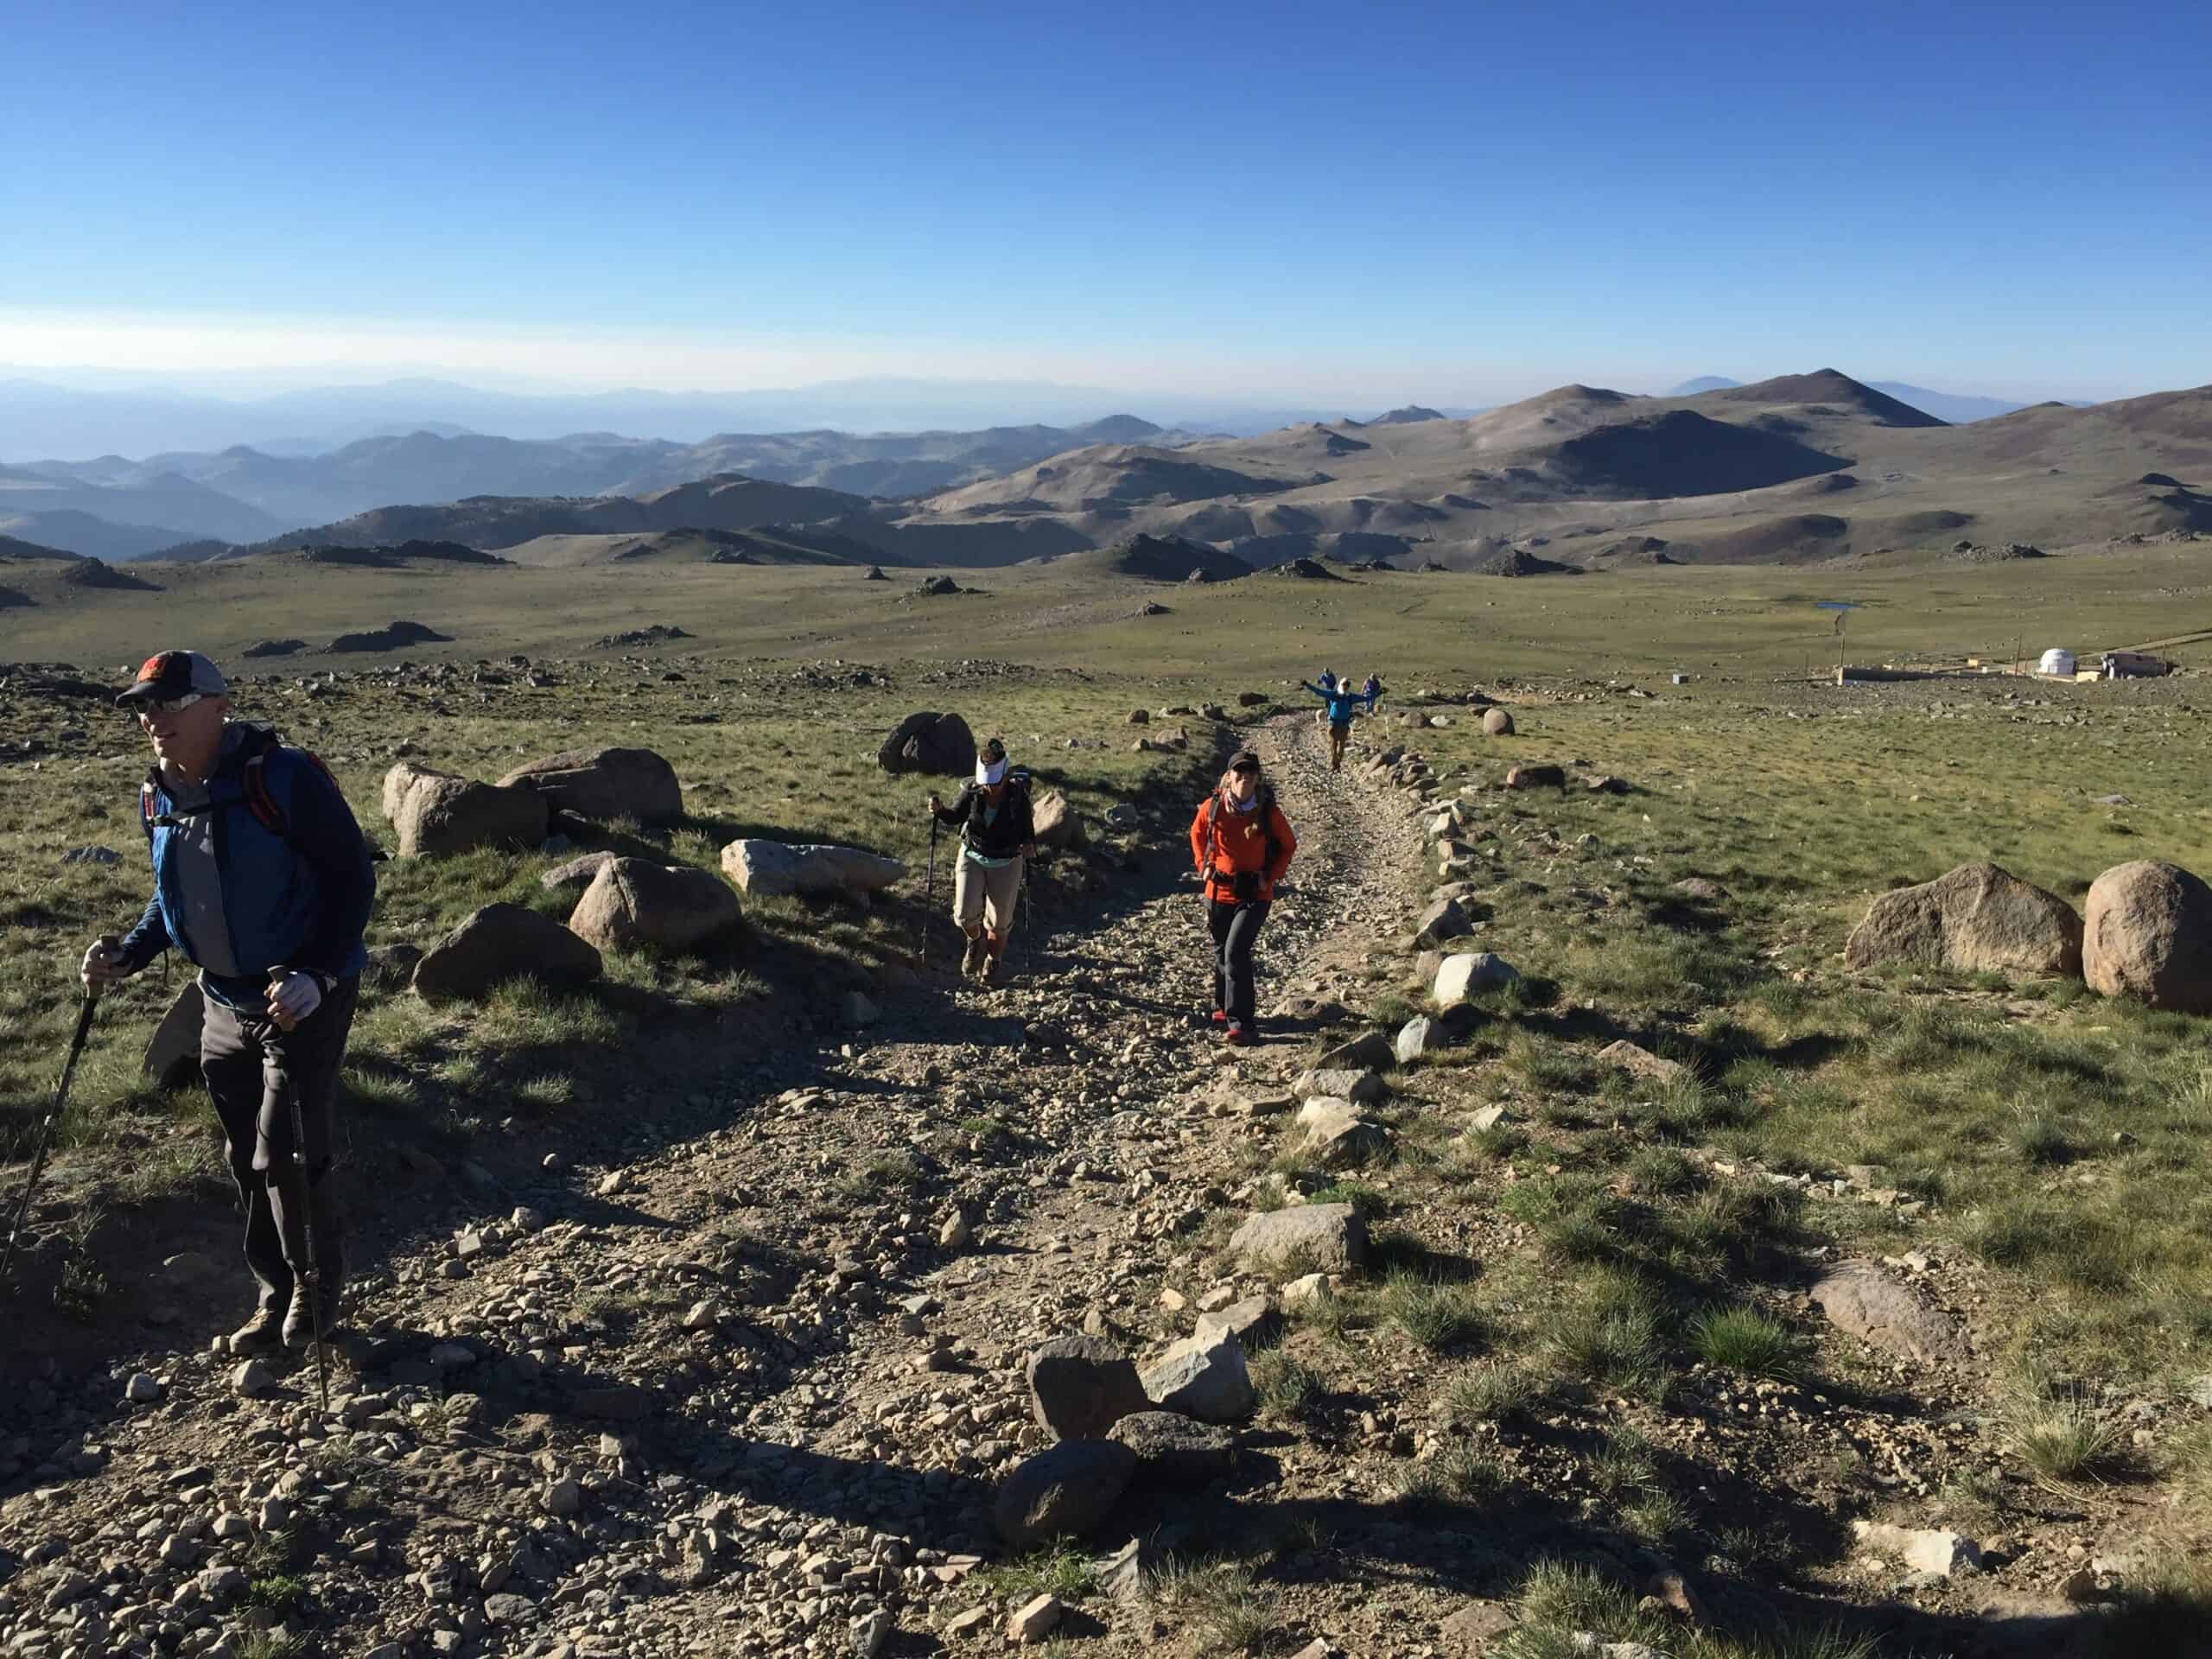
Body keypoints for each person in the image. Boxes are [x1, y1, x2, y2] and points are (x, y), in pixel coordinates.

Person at [80, 651, 374, 1356]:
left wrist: (320, 974)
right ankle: (273, 1294)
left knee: (290, 1151)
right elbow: (172, 894)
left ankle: (315, 1288)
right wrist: (130, 952)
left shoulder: (282, 778)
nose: (153, 718)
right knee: (246, 1156)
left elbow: (351, 878)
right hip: (219, 1001)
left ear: (218, 706)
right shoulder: (158, 794)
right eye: (145, 706)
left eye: (170, 704)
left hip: (299, 996)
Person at [1190, 750, 1297, 1044]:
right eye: (1239, 770)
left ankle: (1243, 1024)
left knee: (1235, 952)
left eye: (1251, 770)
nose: (1245, 775)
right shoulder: (1212, 807)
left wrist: (1270, 876)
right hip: (1218, 891)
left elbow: (1288, 845)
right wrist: (1203, 866)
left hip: (1255, 894)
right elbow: (1197, 834)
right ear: (1229, 776)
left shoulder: (1266, 811)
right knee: (1221, 949)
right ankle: (1224, 1009)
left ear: (1258, 777)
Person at [926, 737, 1035, 984]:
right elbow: (956, 816)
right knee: (964, 915)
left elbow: (1027, 830)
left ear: (1006, 775)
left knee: (999, 923)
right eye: (987, 784)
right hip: (972, 854)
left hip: (1007, 861)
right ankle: (975, 941)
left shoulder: (1018, 796)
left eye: (995, 783)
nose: (990, 789)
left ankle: (992, 962)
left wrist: (1029, 845)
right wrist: (940, 810)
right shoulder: (973, 791)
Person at [1302, 673, 1366, 772]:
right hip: (1334, 723)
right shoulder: (1334, 694)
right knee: (1333, 744)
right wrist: (1307, 685)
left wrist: (1379, 693)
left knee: (1342, 746)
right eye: (1344, 684)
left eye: (1347, 685)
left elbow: (1366, 698)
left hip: (1344, 724)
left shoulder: (1350, 697)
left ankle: (1337, 764)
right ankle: (1334, 764)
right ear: (1341, 684)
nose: (1346, 686)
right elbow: (1319, 692)